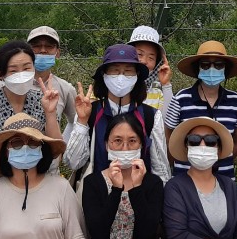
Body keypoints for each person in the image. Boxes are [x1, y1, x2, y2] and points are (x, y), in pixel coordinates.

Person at [0, 41, 63, 194]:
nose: (21, 75)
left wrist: (50, 114)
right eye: (13, 70)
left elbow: (56, 150)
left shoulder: (42, 102)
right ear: (1, 74)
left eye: (26, 68)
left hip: (35, 187)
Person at [64, 43, 170, 183]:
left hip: (138, 197)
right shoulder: (90, 112)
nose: (121, 77)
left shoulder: (150, 116)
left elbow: (161, 170)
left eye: (128, 71)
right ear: (104, 74)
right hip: (97, 197)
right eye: (114, 70)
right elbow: (74, 162)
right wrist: (82, 121)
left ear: (137, 75)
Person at [163, 41, 237, 178]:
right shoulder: (181, 99)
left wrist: (220, 157)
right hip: (185, 177)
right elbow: (169, 136)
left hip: (223, 176)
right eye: (205, 65)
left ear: (225, 69)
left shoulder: (236, 101)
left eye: (219, 65)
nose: (212, 69)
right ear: (198, 68)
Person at [129, 25, 173, 179]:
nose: (144, 61)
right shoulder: (116, 85)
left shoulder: (156, 91)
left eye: (151, 57)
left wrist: (166, 84)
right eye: (139, 54)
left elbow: (167, 121)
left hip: (149, 161)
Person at [28, 25, 79, 130]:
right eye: (36, 46)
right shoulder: (9, 84)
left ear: (57, 53)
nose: (43, 50)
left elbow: (75, 123)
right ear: (27, 50)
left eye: (49, 46)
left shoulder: (66, 89)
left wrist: (63, 144)